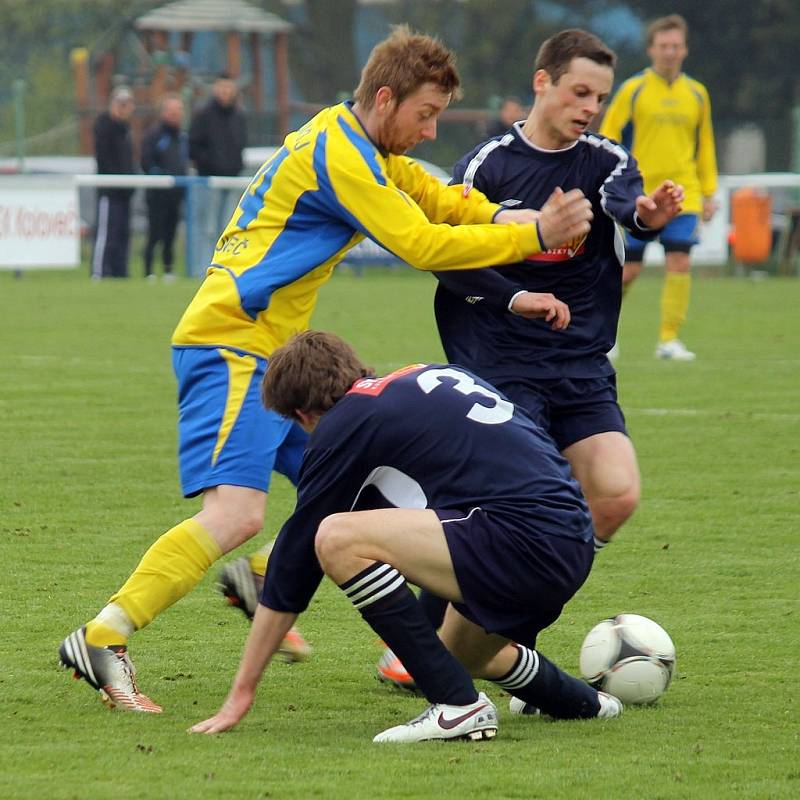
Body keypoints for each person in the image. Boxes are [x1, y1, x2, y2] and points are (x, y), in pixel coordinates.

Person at [59, 26, 593, 714]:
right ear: (384, 97)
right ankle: (104, 635)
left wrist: (517, 214)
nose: (430, 132)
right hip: (232, 343)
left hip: (275, 355)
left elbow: (441, 202)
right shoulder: (341, 155)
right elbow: (418, 241)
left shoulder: (363, 146)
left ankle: (265, 580)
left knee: (369, 494)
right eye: (425, 114)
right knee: (236, 513)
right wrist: (534, 234)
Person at [377, 28, 684, 689]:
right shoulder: (487, 165)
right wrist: (518, 297)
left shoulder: (603, 160)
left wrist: (652, 216)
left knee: (616, 495)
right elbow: (452, 261)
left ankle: (493, 630)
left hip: (579, 365)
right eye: (579, 91)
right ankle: (430, 647)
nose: (589, 107)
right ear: (542, 82)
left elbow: (626, 206)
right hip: (500, 365)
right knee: (494, 512)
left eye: (599, 97)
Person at [188, 331, 623, 743]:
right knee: (461, 659)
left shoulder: (346, 421)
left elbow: (293, 565)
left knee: (336, 537)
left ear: (303, 414)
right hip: (568, 538)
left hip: (522, 541)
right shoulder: (419, 378)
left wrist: (241, 692)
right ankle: (587, 704)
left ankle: (458, 708)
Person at [600, 14, 718, 361]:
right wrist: (615, 183)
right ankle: (605, 335)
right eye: (663, 46)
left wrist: (709, 192)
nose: (670, 52)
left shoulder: (697, 93)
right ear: (651, 49)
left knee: (679, 261)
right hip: (642, 197)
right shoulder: (634, 90)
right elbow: (609, 135)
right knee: (629, 270)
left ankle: (668, 340)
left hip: (685, 194)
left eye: (676, 46)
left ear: (685, 50)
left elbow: (706, 144)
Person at [188, 72, 248, 240]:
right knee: (208, 230)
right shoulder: (203, 116)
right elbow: (193, 146)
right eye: (222, 87)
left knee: (229, 229)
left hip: (232, 180)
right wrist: (210, 164)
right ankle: (204, 265)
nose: (226, 91)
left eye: (229, 87)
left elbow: (241, 144)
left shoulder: (239, 116)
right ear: (215, 88)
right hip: (209, 182)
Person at [141, 94, 189, 281]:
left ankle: (168, 269)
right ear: (164, 112)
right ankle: (148, 270)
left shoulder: (182, 136)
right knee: (155, 232)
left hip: (176, 194)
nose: (175, 115)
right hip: (157, 193)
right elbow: (146, 160)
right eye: (172, 111)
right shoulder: (154, 134)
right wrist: (158, 175)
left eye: (178, 111)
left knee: (171, 233)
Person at [91, 86, 135, 280]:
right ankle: (100, 271)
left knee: (122, 235)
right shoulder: (104, 126)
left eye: (126, 105)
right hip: (110, 190)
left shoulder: (126, 130)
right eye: (120, 104)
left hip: (125, 191)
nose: (123, 109)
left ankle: (119, 272)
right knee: (106, 233)